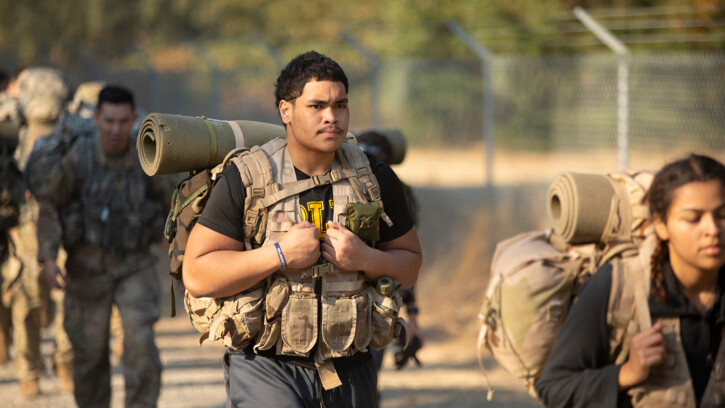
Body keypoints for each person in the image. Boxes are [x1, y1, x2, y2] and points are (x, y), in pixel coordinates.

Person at [183, 50, 422, 407]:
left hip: (351, 364)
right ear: (286, 111)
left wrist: (366, 257)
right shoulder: (248, 179)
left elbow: (411, 265)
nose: (332, 117)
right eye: (317, 106)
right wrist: (279, 254)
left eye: (341, 105)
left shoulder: (374, 177)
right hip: (265, 365)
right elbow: (198, 274)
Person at [535, 153, 725, 407]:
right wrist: (626, 374)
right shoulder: (617, 285)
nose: (712, 229)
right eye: (693, 219)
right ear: (661, 225)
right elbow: (554, 388)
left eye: (722, 215)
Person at [37, 85, 167, 408]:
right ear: (96, 118)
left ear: (134, 119)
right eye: (108, 120)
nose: (115, 129)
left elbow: (171, 201)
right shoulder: (78, 157)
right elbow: (50, 206)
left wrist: (173, 238)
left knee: (140, 342)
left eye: (123, 121)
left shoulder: (145, 155)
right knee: (90, 353)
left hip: (135, 265)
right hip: (87, 269)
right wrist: (49, 257)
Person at [356, 131, 424, 386]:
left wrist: (412, 318)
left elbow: (404, 258)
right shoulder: (396, 188)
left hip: (375, 305)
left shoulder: (394, 191)